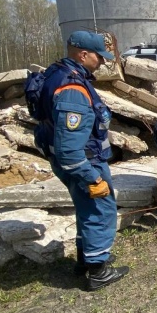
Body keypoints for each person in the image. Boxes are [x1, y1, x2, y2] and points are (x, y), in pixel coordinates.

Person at [30, 30, 128, 291]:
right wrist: (92, 177)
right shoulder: (72, 89)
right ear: (83, 55)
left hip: (74, 159)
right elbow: (70, 149)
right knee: (100, 210)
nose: (103, 62)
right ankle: (98, 271)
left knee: (85, 208)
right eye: (99, 57)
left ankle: (87, 259)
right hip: (84, 162)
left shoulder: (57, 73)